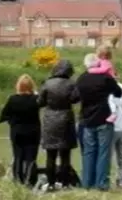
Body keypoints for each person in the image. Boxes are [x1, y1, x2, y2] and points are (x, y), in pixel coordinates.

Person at [76, 53, 122, 190]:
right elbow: (118, 92)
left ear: (86, 65)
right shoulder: (105, 78)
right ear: (98, 63)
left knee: (89, 152)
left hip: (87, 119)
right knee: (103, 152)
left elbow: (76, 96)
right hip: (103, 118)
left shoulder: (81, 79)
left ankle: (86, 183)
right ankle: (101, 183)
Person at [37, 60, 80, 191]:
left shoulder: (47, 83)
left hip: (50, 119)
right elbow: (75, 99)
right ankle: (66, 184)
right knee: (65, 155)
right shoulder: (72, 84)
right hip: (66, 118)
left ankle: (50, 184)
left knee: (51, 155)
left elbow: (40, 102)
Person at [0, 74, 41, 186]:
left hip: (17, 132)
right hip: (33, 132)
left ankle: (18, 180)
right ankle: (30, 180)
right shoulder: (36, 99)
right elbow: (44, 102)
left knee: (18, 156)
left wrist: (12, 122)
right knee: (31, 158)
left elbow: (4, 116)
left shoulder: (13, 99)